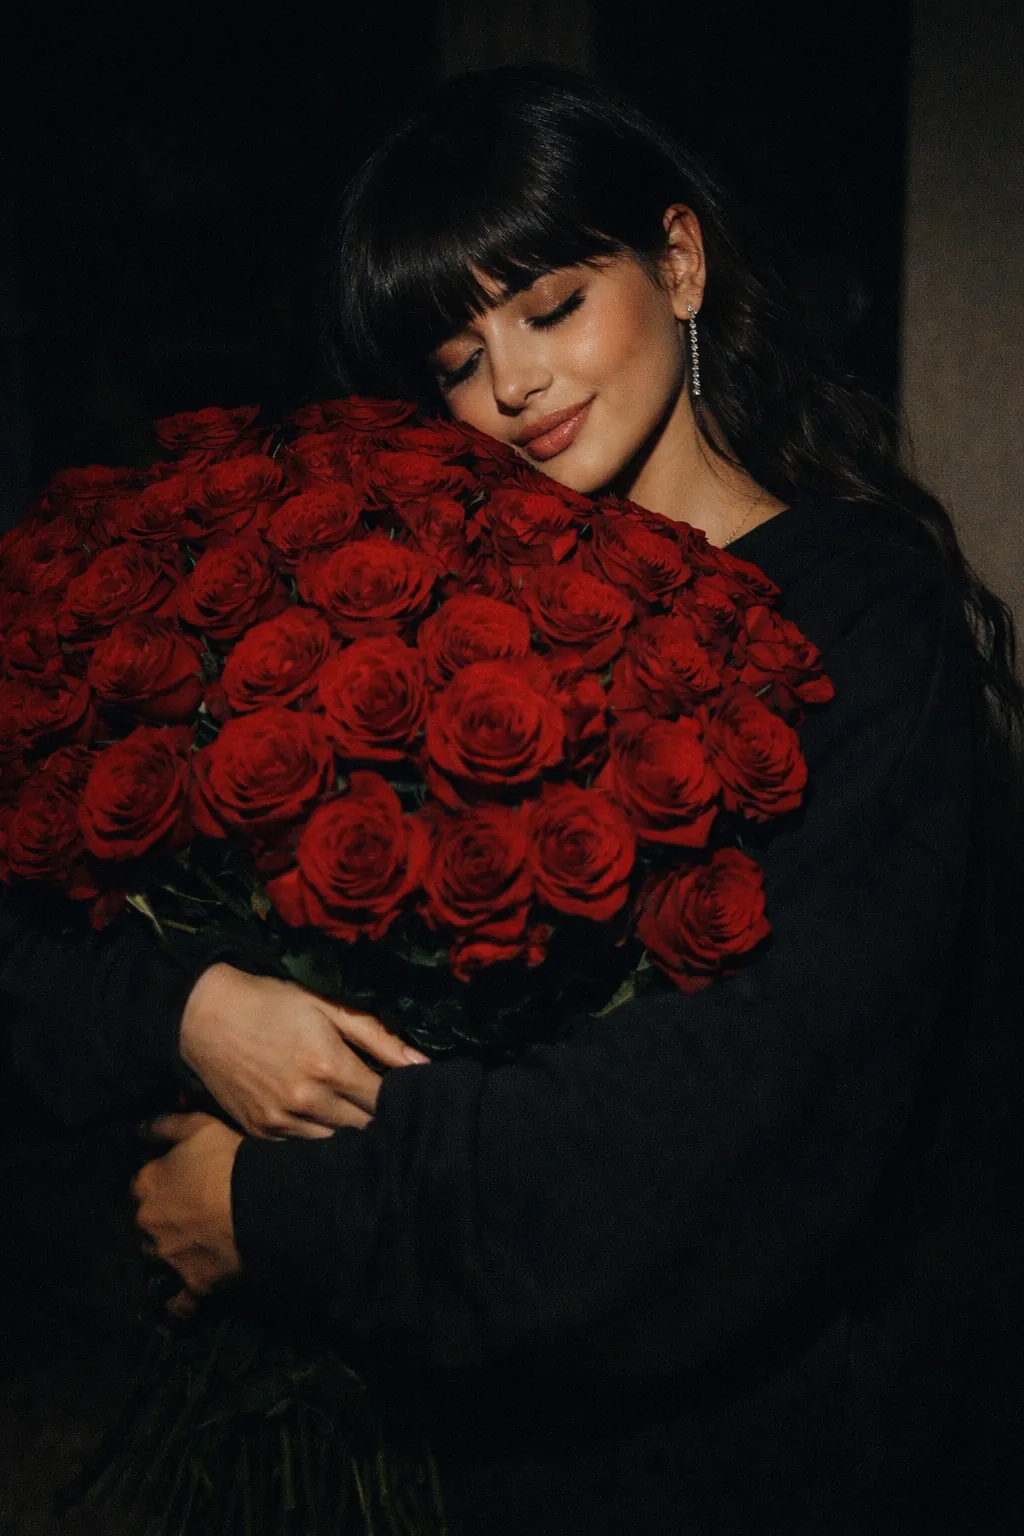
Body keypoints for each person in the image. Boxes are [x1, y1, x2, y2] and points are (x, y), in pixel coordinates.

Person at [4, 66, 1023, 1534]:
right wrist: (193, 1011)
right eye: (456, 357)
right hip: (452, 1433)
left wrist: (273, 1218)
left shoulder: (865, 627)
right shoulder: (448, 603)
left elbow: (719, 1142)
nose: (516, 386)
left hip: (754, 1457)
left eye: (550, 306)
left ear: (678, 262)